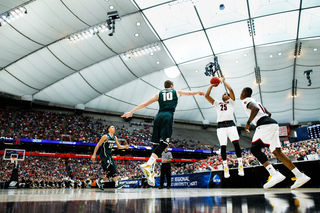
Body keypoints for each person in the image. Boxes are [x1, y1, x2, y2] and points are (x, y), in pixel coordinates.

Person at [121, 80, 204, 186]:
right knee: (164, 144)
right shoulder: (176, 92)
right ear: (172, 86)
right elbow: (190, 93)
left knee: (156, 145)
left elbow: (145, 104)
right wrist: (199, 92)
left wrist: (131, 111)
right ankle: (149, 164)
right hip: (167, 116)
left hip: (158, 117)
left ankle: (150, 173)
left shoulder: (158, 94)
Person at [240, 87, 311, 189]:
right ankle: (300, 175)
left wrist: (247, 124)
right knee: (277, 152)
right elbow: (268, 113)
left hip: (264, 124)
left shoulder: (245, 100)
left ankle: (274, 173)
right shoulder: (257, 101)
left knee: (255, 149)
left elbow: (255, 109)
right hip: (272, 123)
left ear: (243, 93)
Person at [205, 77, 244, 178]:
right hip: (221, 126)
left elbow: (230, 89)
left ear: (229, 96)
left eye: (226, 94)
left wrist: (223, 81)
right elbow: (207, 95)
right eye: (223, 94)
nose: (224, 95)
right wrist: (211, 86)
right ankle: (225, 167)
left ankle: (240, 165)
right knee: (223, 146)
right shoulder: (217, 103)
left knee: (236, 144)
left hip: (231, 124)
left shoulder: (231, 102)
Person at [91, 125, 129, 190]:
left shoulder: (115, 138)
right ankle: (117, 183)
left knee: (113, 170)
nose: (114, 128)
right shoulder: (105, 136)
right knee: (111, 167)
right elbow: (97, 146)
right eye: (112, 127)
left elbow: (119, 146)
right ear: (108, 129)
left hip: (109, 155)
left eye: (114, 127)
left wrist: (124, 147)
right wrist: (94, 154)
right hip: (104, 154)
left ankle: (101, 182)